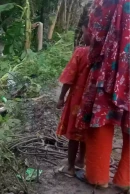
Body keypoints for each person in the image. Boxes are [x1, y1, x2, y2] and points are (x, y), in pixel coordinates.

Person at [75, 0, 130, 191]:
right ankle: (125, 179)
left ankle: (98, 177)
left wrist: (95, 55)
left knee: (101, 115)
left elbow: (95, 33)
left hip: (111, 67)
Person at [56, 24, 91, 177]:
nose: (82, 36)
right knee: (85, 132)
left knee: (73, 134)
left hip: (77, 99)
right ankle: (80, 161)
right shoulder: (103, 54)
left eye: (84, 33)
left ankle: (70, 166)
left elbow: (69, 78)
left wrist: (61, 97)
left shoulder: (81, 52)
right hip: (93, 101)